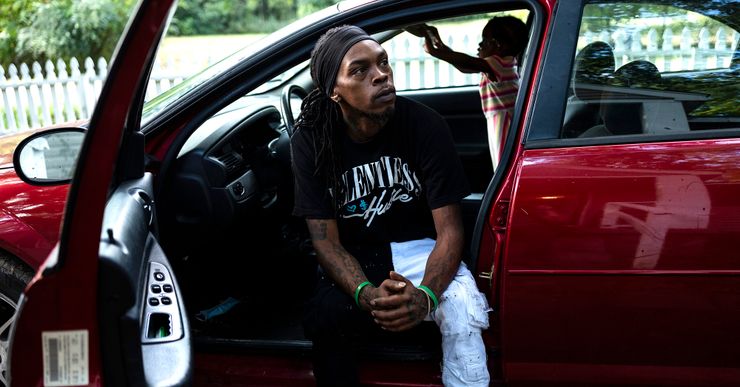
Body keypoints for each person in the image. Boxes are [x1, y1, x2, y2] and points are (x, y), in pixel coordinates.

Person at [291, 25, 491, 386]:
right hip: (358, 253)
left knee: (462, 305)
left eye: (382, 63)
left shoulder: (425, 125)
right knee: (329, 314)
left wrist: (427, 295)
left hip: (421, 247)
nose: (380, 74)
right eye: (360, 69)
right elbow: (325, 241)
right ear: (334, 91)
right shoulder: (312, 140)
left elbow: (450, 228)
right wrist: (366, 295)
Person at [407, 16, 528, 170]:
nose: (479, 45)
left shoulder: (502, 63)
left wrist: (436, 52)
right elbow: (464, 66)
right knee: (502, 163)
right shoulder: (501, 65)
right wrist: (440, 45)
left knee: (505, 166)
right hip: (501, 121)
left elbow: (468, 62)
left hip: (505, 123)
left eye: (484, 41)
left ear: (498, 45)